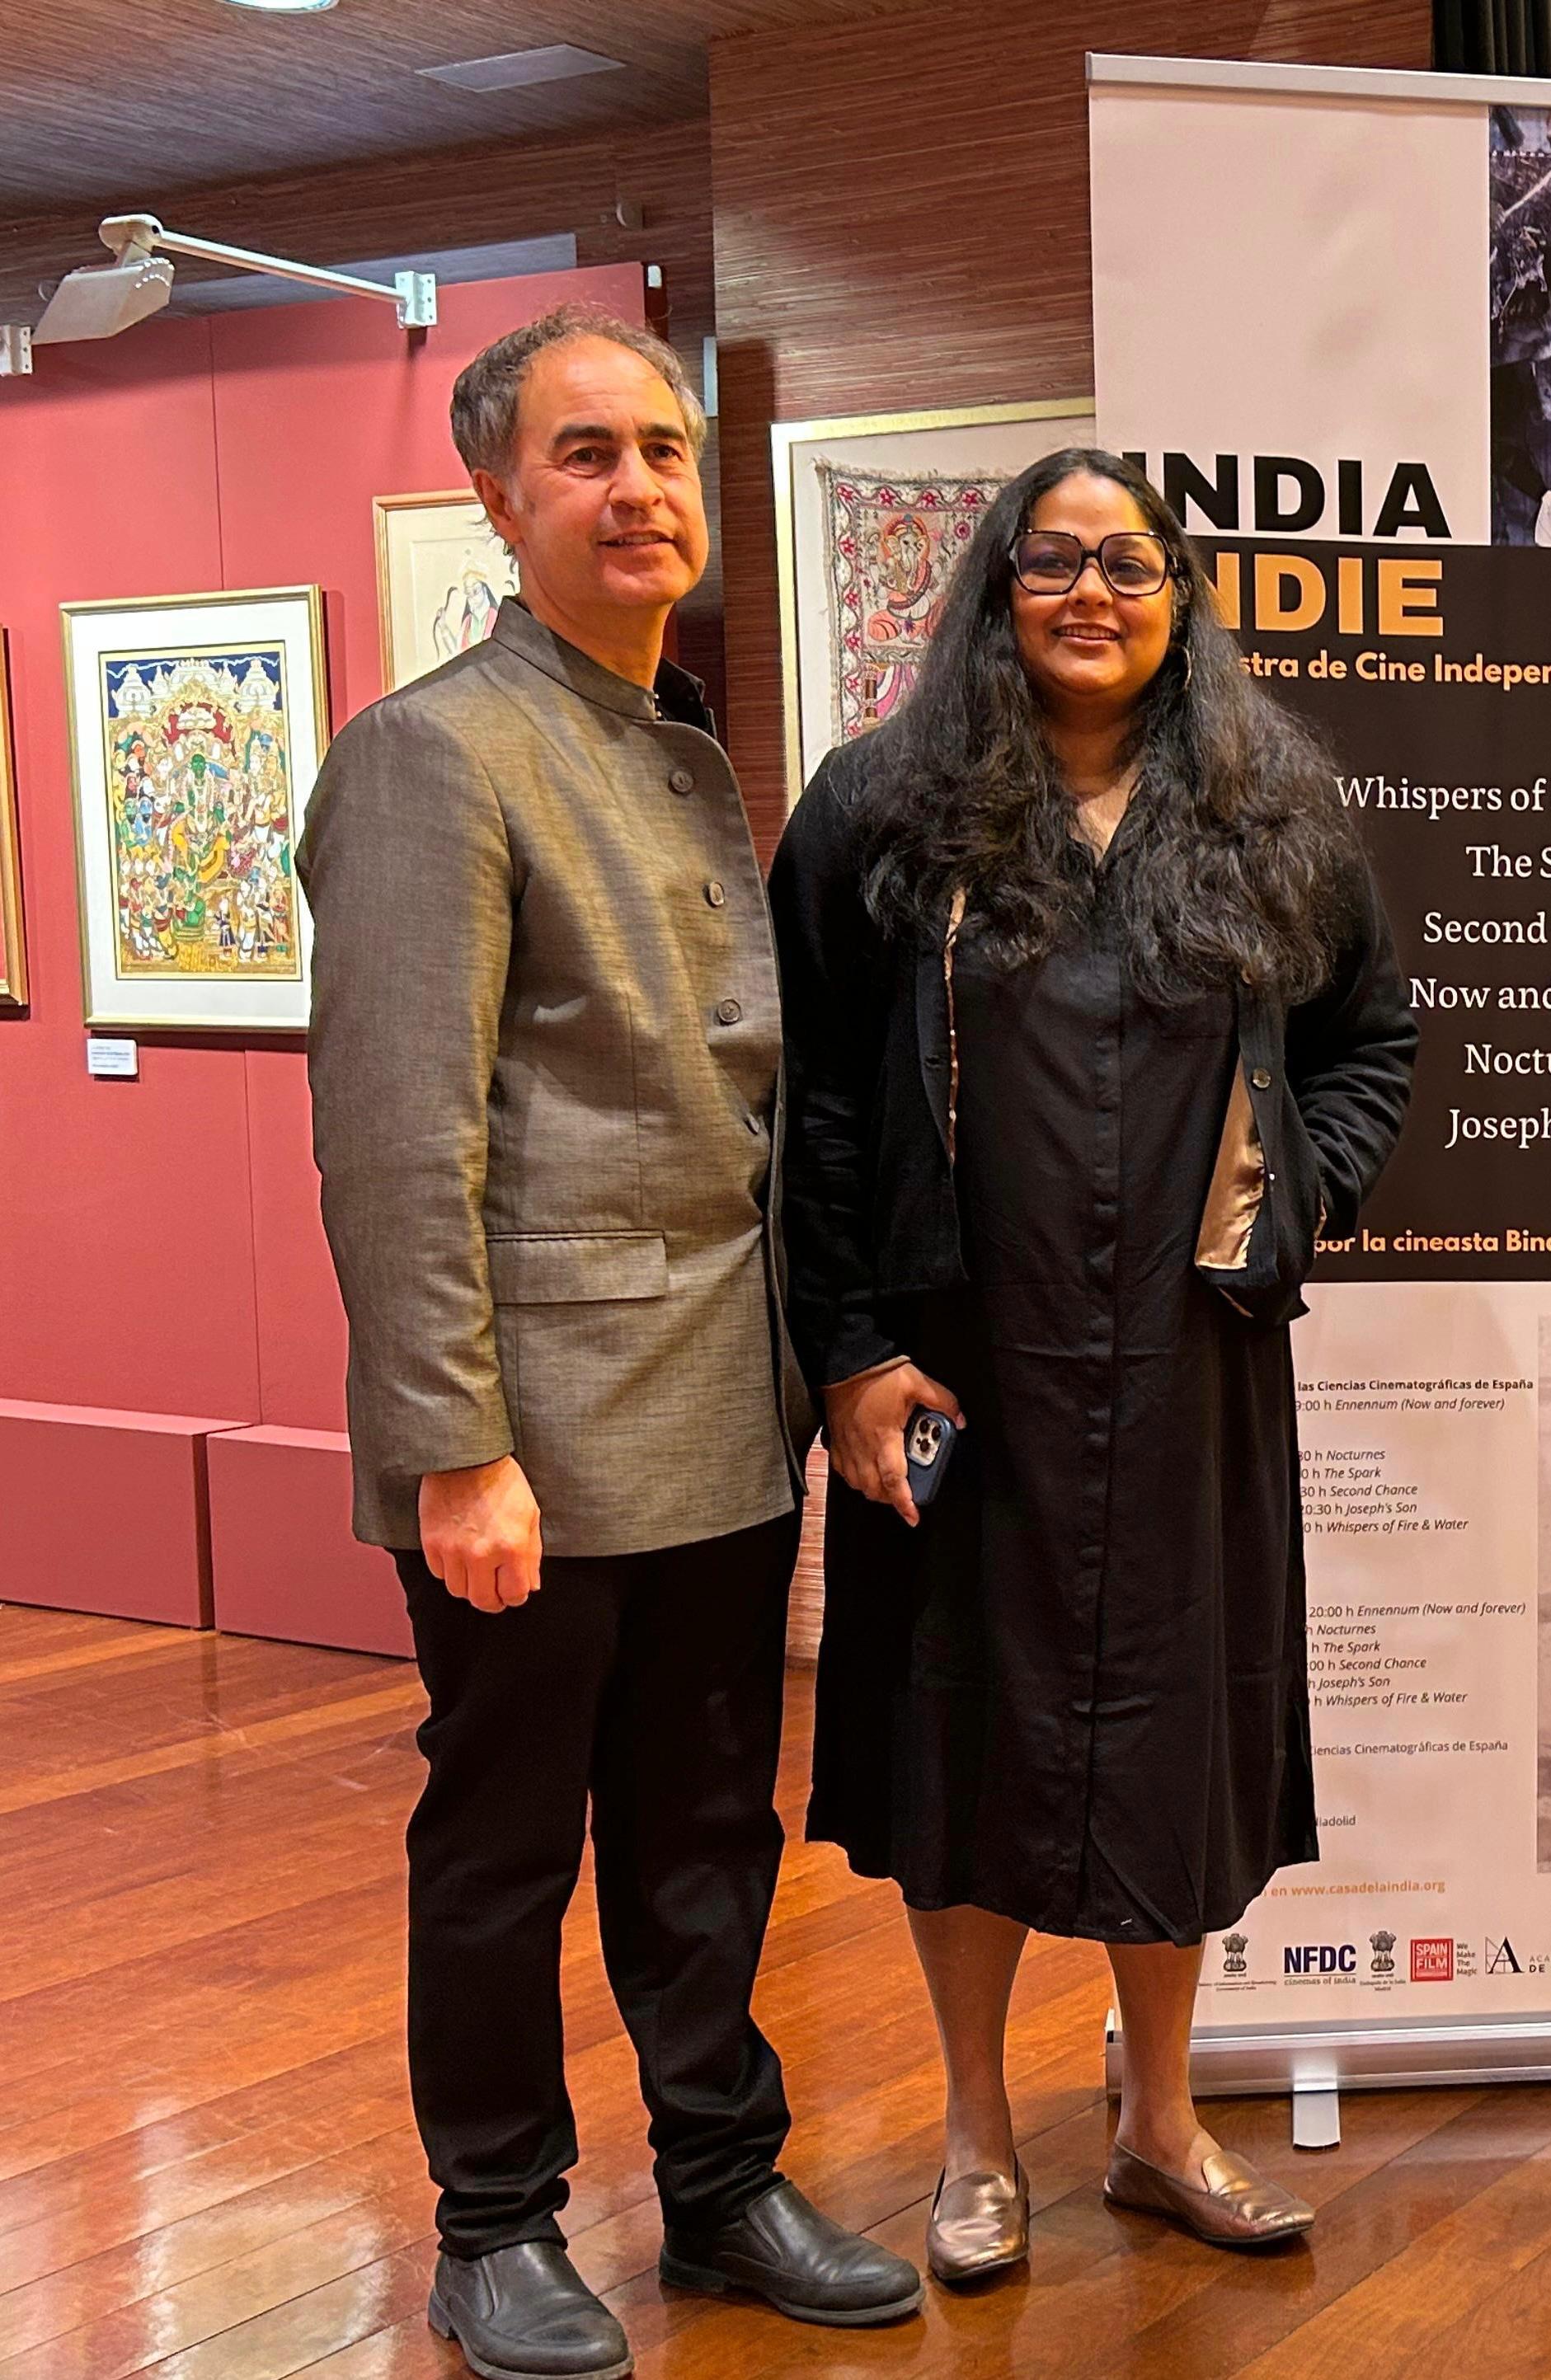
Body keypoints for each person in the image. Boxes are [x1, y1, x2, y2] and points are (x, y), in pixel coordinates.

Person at [300, 305, 922, 2380]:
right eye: (586, 454)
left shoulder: (671, 734)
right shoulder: (435, 754)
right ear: (497, 497)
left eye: (661, 449)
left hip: (719, 1417)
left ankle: (723, 2181)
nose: (640, 487)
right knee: (502, 1845)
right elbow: (401, 1140)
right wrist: (453, 1446)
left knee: (706, 1830)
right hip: (534, 1443)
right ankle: (494, 2222)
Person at [771, 448, 1417, 2281]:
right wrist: (851, 1351)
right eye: (1050, 559)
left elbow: (1371, 1042)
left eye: (1128, 561)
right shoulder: (879, 811)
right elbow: (816, 1103)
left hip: (1190, 1367)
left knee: (1175, 1744)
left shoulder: (1271, 807)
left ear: (1179, 595)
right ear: (997, 584)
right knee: (957, 1741)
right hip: (958, 1377)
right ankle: (978, 2134)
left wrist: (1289, 1200)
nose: (1089, 593)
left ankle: (1156, 2122)